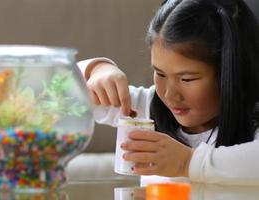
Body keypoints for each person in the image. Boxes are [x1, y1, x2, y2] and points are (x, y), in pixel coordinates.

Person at [77, 0, 259, 185]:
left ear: (233, 72)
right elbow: (53, 91)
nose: (170, 95)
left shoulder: (252, 126)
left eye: (187, 79)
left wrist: (188, 163)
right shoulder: (145, 110)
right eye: (160, 74)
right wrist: (96, 69)